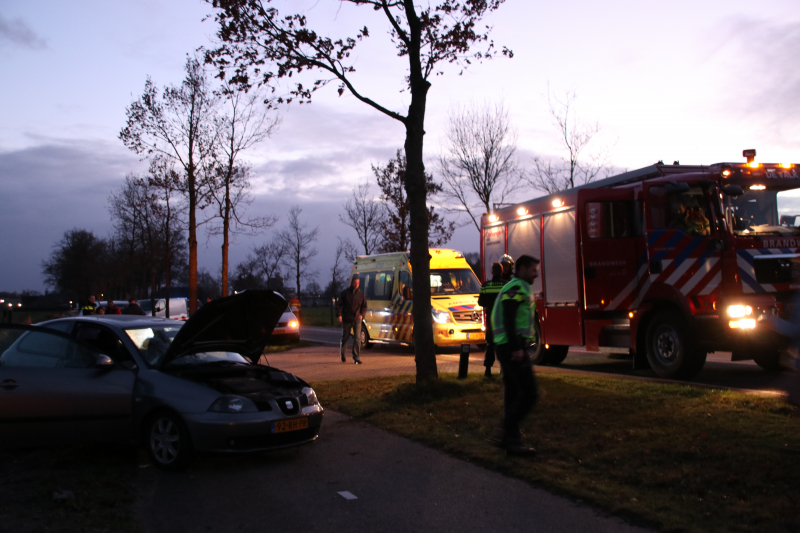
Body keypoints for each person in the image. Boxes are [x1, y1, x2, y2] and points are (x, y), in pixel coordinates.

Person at [487, 254, 541, 456]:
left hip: (510, 346)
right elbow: (509, 318)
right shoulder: (516, 287)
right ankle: (505, 430)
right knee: (529, 394)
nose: (536, 273)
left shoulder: (520, 287)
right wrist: (518, 347)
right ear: (522, 269)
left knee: (513, 393)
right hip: (512, 348)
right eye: (533, 269)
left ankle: (510, 441)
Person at [478, 262, 506, 379]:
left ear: (492, 272)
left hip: (490, 319)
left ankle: (488, 370)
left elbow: (480, 302)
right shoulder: (506, 286)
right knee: (503, 345)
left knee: (490, 345)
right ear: (502, 272)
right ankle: (503, 370)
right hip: (503, 320)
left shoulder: (486, 285)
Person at [336, 277, 367, 365]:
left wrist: (362, 314)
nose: (356, 285)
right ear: (351, 283)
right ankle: (343, 352)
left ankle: (356, 357)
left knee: (357, 338)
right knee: (345, 337)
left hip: (357, 318)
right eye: (355, 283)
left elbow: (364, 306)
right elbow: (338, 304)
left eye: (357, 283)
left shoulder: (361, 294)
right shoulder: (345, 293)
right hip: (347, 318)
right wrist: (339, 315)